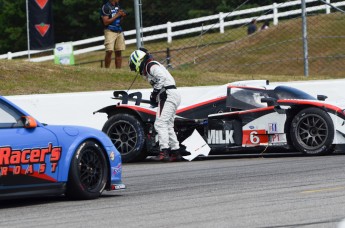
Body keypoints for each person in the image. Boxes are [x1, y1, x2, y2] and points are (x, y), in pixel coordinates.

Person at [128, 48, 183, 162]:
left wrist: (154, 94)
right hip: (172, 94)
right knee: (168, 124)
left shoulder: (150, 66)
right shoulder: (151, 65)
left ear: (138, 61)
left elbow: (161, 78)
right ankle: (176, 151)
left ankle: (164, 152)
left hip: (167, 94)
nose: (136, 71)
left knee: (160, 123)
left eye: (134, 67)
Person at [100, 0, 127, 69]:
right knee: (109, 51)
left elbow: (119, 21)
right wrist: (117, 15)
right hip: (109, 30)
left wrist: (122, 16)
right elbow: (105, 22)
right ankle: (106, 69)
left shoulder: (117, 5)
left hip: (118, 30)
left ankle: (118, 71)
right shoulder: (105, 7)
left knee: (118, 51)